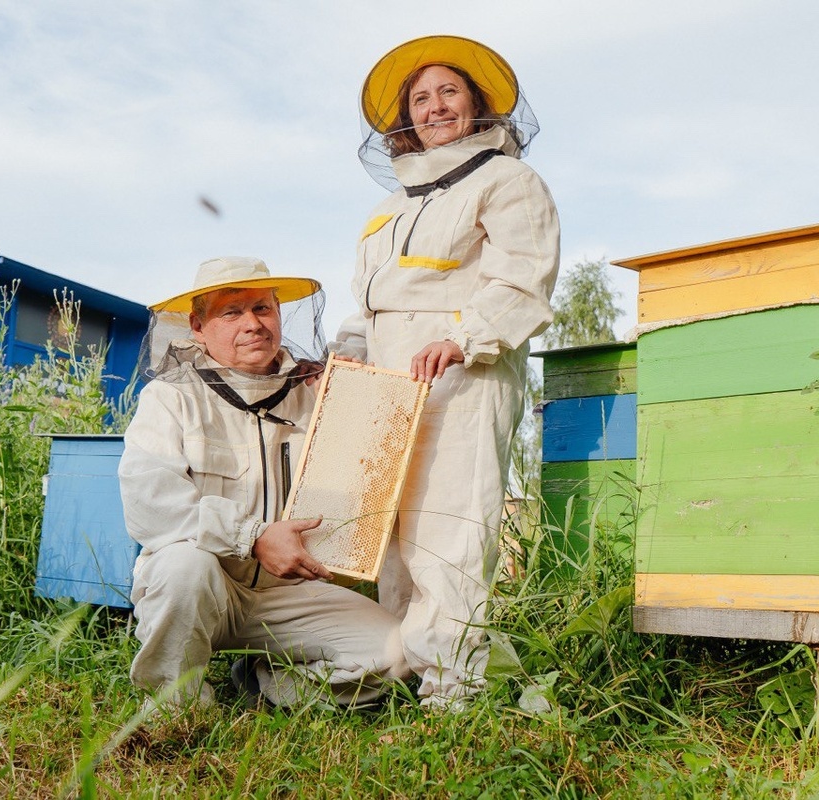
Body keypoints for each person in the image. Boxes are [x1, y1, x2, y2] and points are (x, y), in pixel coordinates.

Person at [332, 35, 561, 710]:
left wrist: (462, 338)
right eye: (420, 98)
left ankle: (453, 694)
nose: (434, 107)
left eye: (449, 92)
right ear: (405, 118)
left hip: (464, 377)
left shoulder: (509, 182)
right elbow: (374, 304)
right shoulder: (391, 209)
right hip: (387, 386)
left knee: (449, 528)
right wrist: (347, 351)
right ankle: (407, 679)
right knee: (394, 535)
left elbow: (522, 280)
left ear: (479, 105)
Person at [120, 256, 410, 711]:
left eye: (262, 309)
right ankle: (177, 710)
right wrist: (252, 538)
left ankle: (264, 686)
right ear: (197, 327)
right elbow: (150, 505)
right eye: (231, 313)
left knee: (400, 654)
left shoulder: (316, 390)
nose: (252, 324)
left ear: (279, 315)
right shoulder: (170, 398)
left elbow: (368, 485)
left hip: (290, 594)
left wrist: (353, 404)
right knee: (182, 569)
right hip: (208, 584)